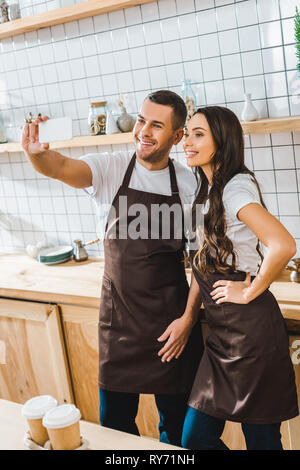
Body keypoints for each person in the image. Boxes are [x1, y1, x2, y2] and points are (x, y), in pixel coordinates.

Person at [21, 90, 203, 446]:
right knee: (114, 425)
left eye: (156, 125)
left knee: (177, 426)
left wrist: (189, 320)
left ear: (178, 136)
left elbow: (200, 263)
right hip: (118, 321)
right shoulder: (111, 167)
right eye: (140, 120)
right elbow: (58, 166)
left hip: (172, 322)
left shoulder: (190, 185)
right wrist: (37, 154)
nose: (143, 131)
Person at [180, 106, 299, 451]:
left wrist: (248, 292)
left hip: (251, 336)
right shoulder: (209, 187)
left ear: (223, 139)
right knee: (195, 439)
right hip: (222, 338)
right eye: (187, 133)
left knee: (261, 441)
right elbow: (203, 266)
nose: (187, 140)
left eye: (198, 134)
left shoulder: (234, 190)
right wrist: (188, 316)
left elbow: (284, 244)